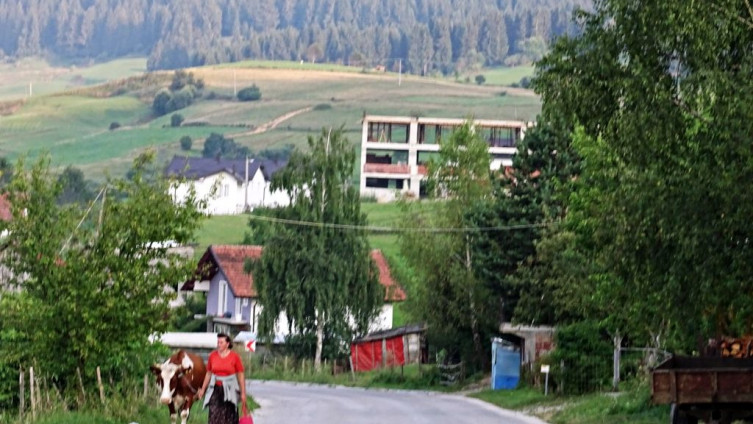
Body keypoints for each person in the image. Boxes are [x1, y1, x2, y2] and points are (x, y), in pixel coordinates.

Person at [197, 333, 247, 424]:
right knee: (214, 413)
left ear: (227, 344)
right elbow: (209, 373)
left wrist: (243, 393)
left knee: (229, 415)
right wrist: (203, 389)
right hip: (216, 388)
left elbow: (240, 374)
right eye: (218, 342)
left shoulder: (234, 357)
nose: (219, 344)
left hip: (230, 389)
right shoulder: (213, 356)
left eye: (221, 342)